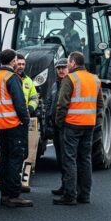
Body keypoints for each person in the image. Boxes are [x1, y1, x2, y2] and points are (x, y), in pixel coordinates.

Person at [54, 51, 102, 206]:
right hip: (89, 124)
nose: (67, 65)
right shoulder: (95, 79)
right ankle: (85, 195)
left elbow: (62, 104)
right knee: (85, 159)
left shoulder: (70, 78)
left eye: (68, 62)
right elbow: (99, 103)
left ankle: (70, 195)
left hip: (72, 124)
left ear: (73, 63)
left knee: (70, 159)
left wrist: (59, 123)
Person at [0, 49, 33, 208]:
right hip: (14, 124)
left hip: (1, 124)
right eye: (16, 61)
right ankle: (14, 195)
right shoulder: (13, 78)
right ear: (13, 61)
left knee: (5, 159)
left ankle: (5, 194)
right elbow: (19, 103)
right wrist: (26, 120)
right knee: (15, 160)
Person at [0, 54, 40, 127]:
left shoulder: (29, 81)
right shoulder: (4, 78)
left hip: (21, 118)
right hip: (5, 120)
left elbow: (34, 98)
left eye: (23, 64)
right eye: (19, 64)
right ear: (14, 64)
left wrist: (30, 108)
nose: (21, 66)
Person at [45, 58, 69, 196]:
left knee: (67, 159)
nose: (60, 70)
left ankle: (69, 187)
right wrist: (48, 119)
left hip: (66, 127)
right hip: (56, 128)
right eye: (58, 68)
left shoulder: (70, 84)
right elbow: (49, 103)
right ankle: (64, 184)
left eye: (63, 67)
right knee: (60, 159)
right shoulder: (55, 86)